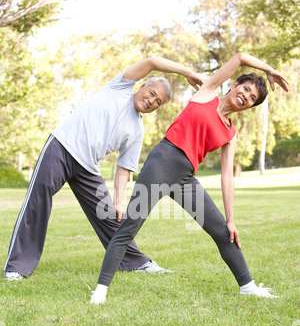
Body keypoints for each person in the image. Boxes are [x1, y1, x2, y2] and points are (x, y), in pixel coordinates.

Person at [91, 52, 289, 304]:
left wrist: (231, 220)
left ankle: (248, 286)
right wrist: (269, 70)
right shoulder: (207, 93)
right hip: (161, 163)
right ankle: (100, 290)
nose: (246, 97)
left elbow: (227, 178)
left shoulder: (230, 132)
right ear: (234, 84)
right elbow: (239, 57)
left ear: (250, 106)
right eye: (246, 89)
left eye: (252, 98)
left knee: (222, 232)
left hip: (185, 177)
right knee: (129, 228)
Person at [4, 56, 203, 281]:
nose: (151, 101)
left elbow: (124, 168)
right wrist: (187, 72)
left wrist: (118, 202)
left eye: (158, 102)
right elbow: (152, 61)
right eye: (152, 94)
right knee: (38, 201)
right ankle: (17, 267)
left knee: (109, 215)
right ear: (142, 86)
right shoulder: (120, 87)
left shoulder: (137, 130)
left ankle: (137, 262)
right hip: (61, 147)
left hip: (88, 167)